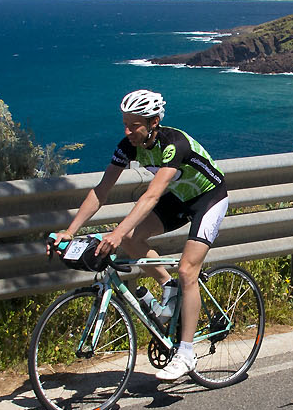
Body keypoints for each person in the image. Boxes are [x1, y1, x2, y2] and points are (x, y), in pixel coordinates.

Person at [53, 89, 230, 382]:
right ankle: (168, 287)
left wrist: (117, 231)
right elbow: (101, 191)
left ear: (153, 122)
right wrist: (70, 231)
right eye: (125, 124)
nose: (127, 131)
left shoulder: (174, 144)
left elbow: (151, 196)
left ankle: (186, 353)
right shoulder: (129, 145)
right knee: (131, 239)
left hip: (209, 198)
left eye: (134, 125)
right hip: (179, 197)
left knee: (187, 270)